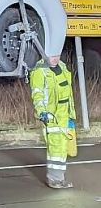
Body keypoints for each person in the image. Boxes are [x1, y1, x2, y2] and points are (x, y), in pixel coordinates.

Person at [29, 54, 76, 189]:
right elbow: (37, 94)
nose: (55, 58)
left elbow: (69, 94)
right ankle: (54, 179)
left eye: (57, 55)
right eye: (52, 55)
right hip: (51, 115)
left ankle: (59, 179)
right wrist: (42, 112)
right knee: (55, 147)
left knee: (62, 148)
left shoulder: (62, 67)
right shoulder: (39, 70)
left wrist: (71, 115)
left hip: (64, 114)